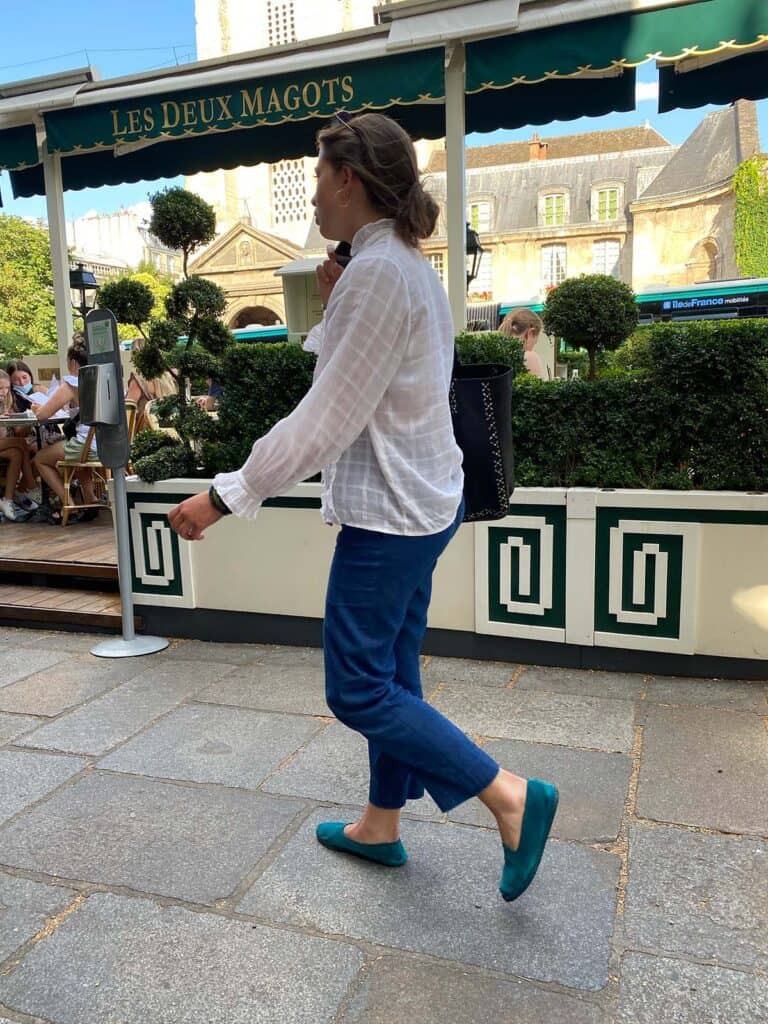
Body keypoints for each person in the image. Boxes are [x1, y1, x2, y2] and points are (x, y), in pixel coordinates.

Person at [167, 112, 558, 903]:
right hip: (421, 501)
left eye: (317, 176)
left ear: (349, 179)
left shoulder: (383, 275)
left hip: (392, 515)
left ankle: (510, 796)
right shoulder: (395, 267)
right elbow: (362, 377)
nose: (311, 193)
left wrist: (224, 494)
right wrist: (336, 297)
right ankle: (381, 824)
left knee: (356, 688)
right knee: (391, 672)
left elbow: (326, 417)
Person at [32, 341, 100, 525]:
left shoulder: (72, 382)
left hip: (87, 444)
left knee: (40, 458)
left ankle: (69, 504)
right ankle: (91, 499)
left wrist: (35, 406)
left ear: (73, 362)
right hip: (107, 443)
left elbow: (42, 415)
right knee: (77, 456)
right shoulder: (101, 379)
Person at [0, 370, 40, 521]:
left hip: (3, 444)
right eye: (0, 388)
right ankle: (31, 485)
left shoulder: (7, 400)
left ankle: (8, 499)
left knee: (16, 453)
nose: (4, 392)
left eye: (6, 388)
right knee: (21, 443)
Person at [125, 338, 178, 433]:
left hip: (147, 434)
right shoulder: (167, 376)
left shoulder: (138, 379)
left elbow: (128, 409)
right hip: (170, 431)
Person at [500, 307, 548, 380]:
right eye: (535, 342)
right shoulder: (528, 357)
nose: (533, 346)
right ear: (531, 333)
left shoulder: (495, 356)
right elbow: (537, 390)